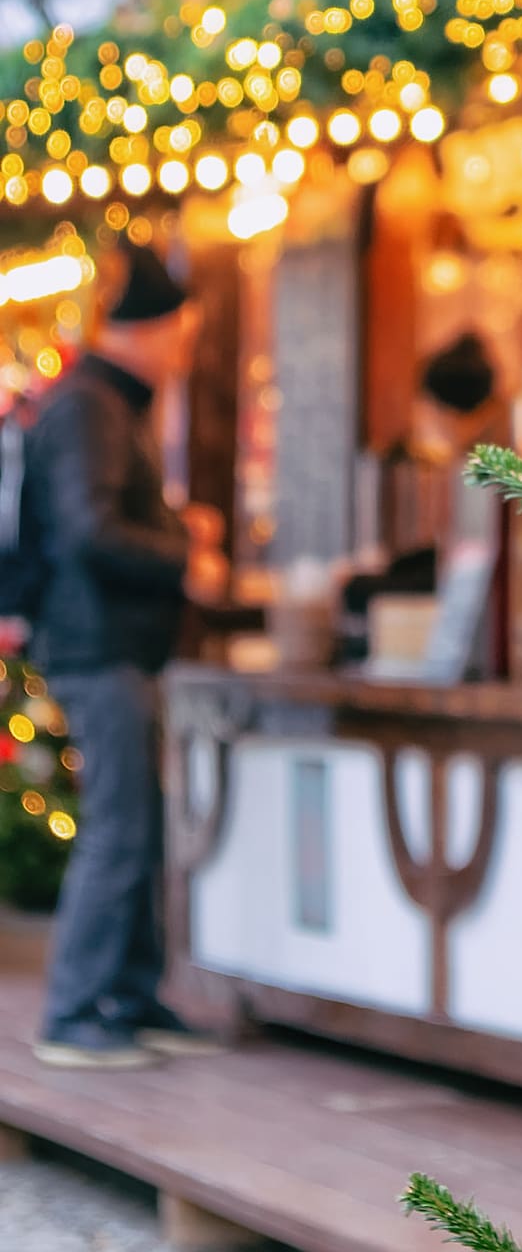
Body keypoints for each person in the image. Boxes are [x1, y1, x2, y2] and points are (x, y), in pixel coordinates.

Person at [26, 242, 227, 1068]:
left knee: (135, 823)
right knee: (118, 826)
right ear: (145, 330)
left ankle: (130, 996)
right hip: (96, 646)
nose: (185, 349)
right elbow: (88, 531)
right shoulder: (90, 406)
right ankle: (75, 1009)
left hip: (114, 646)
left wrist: (178, 529)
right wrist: (185, 557)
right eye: (180, 332)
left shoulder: (103, 403)